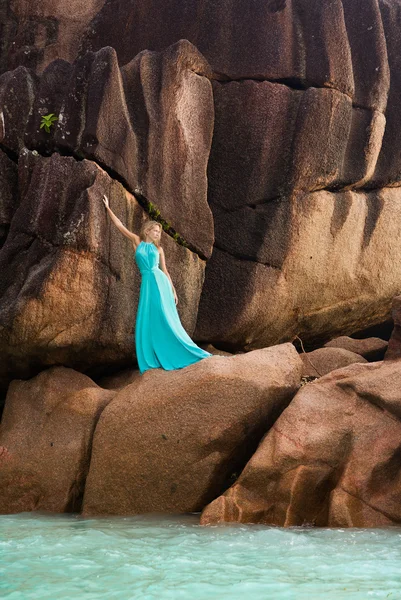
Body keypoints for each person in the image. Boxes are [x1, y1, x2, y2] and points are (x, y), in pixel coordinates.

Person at [102, 195, 212, 373]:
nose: (157, 234)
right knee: (148, 318)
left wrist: (173, 290)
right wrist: (108, 209)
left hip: (159, 282)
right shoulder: (137, 242)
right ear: (147, 231)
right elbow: (120, 226)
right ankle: (154, 356)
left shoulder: (159, 249)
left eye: (159, 232)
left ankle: (179, 351)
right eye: (155, 231)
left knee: (164, 316)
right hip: (147, 283)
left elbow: (165, 271)